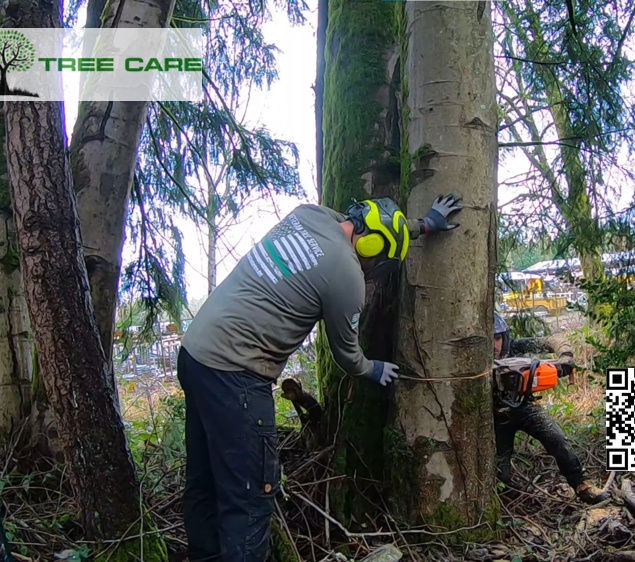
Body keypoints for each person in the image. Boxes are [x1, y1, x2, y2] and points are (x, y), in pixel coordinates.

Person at [176, 194, 463, 561]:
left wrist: (422, 224)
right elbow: (346, 354)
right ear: (371, 244)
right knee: (248, 497)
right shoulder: (346, 274)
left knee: (204, 482)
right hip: (236, 374)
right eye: (377, 258)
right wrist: (372, 369)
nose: (372, 266)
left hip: (196, 354)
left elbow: (377, 225)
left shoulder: (309, 215)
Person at [492, 313, 610, 504]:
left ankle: (582, 485)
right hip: (495, 417)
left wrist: (565, 356)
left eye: (497, 338)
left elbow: (550, 340)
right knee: (501, 467)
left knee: (556, 439)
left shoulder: (514, 346)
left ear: (504, 337)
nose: (494, 345)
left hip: (524, 406)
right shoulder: (474, 362)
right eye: (489, 339)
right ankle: (510, 498)